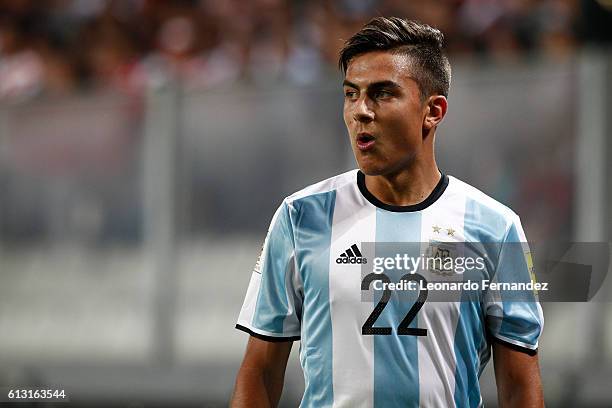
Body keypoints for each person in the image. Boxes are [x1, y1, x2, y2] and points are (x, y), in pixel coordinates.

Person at [231, 17, 544, 408]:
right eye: (350, 94)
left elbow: (519, 387)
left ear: (433, 110)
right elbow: (261, 371)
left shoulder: (496, 228)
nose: (360, 110)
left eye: (382, 93)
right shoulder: (300, 217)